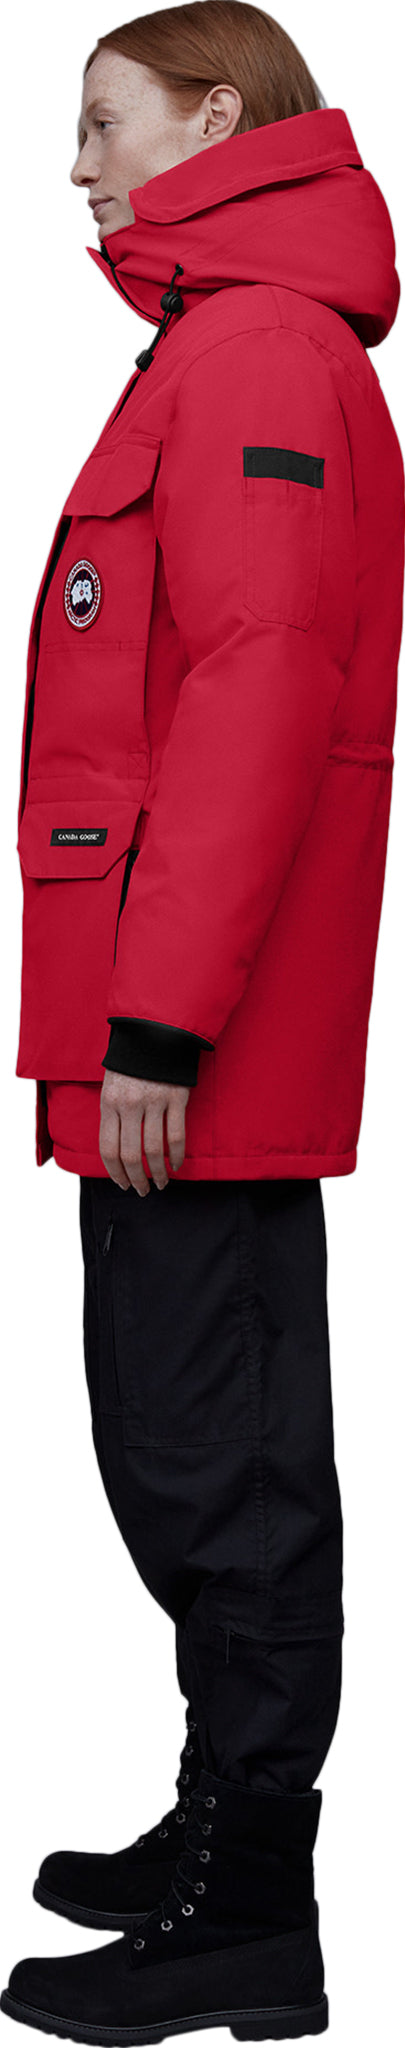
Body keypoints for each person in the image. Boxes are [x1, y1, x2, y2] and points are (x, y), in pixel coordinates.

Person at [1, 4, 404, 2041]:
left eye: (104, 124)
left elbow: (257, 695)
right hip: (156, 1014)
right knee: (182, 1442)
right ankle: (214, 1829)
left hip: (193, 1032)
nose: (76, 167)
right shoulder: (221, 343)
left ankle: (251, 1906)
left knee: (218, 1459)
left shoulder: (253, 351)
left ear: (214, 118)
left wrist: (158, 1022)